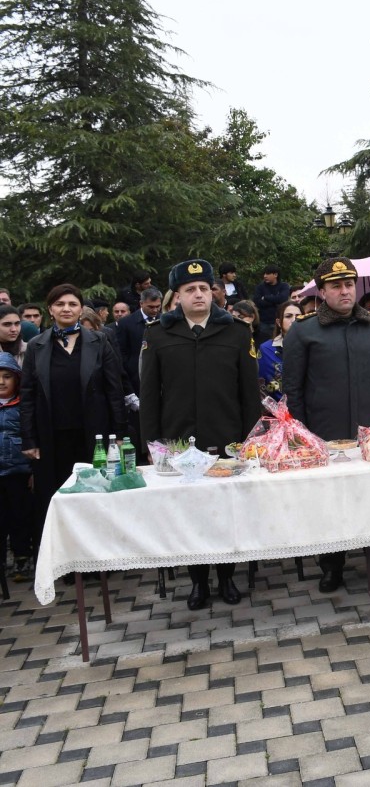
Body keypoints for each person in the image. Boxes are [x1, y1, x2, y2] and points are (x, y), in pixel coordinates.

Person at [140, 260, 261, 609]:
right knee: (191, 514)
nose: (198, 295)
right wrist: (153, 443)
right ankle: (198, 582)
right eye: (190, 290)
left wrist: (250, 439)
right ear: (177, 296)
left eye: (204, 288)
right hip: (178, 440)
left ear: (214, 292)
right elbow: (149, 394)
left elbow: (248, 393)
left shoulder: (237, 332)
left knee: (225, 510)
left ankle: (226, 578)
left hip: (227, 438)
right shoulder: (158, 335)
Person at [282, 258, 370, 592]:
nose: (345, 291)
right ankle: (332, 565)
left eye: (349, 284)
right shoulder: (304, 330)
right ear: (321, 291)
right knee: (329, 502)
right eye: (336, 285)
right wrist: (303, 434)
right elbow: (293, 388)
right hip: (325, 432)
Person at [19, 285, 127, 572]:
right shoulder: (36, 347)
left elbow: (114, 390)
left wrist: (117, 435)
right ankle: (68, 562)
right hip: (50, 436)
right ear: (50, 309)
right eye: (60, 304)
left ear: (81, 309)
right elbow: (27, 395)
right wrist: (29, 439)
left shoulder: (99, 341)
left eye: (72, 303)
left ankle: (100, 559)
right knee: (58, 500)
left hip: (94, 435)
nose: (66, 308)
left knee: (95, 495)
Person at [0, 353, 33, 582]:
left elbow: (31, 438)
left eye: (6, 376)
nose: (1, 382)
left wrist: (33, 470)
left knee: (20, 517)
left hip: (18, 472)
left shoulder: (23, 406)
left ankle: (22, 557)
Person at [114, 287, 163, 398]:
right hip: (135, 380)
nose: (155, 310)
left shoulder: (165, 321)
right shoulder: (126, 323)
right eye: (151, 307)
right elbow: (121, 353)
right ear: (141, 303)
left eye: (158, 306)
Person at [258, 301, 301, 397]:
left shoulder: (312, 345)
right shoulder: (266, 349)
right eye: (288, 316)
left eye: (298, 316)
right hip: (277, 407)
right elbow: (263, 386)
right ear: (279, 322)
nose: (294, 320)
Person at [253, 265, 291, 344]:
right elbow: (258, 302)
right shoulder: (260, 287)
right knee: (263, 344)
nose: (265, 276)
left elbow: (282, 299)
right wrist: (275, 300)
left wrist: (266, 297)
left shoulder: (283, 286)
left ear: (275, 275)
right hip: (264, 322)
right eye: (264, 274)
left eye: (267, 274)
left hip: (279, 321)